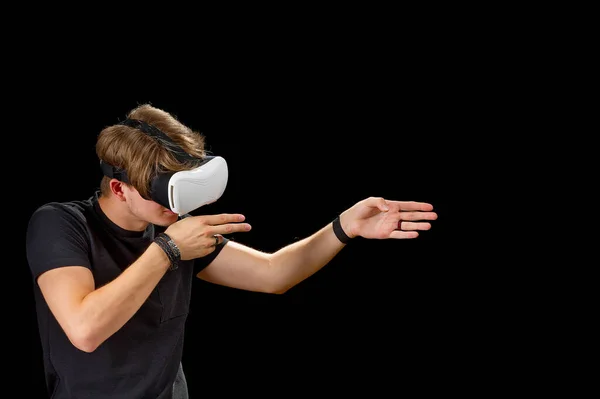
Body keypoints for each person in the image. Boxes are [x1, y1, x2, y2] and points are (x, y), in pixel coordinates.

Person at [25, 103, 438, 399]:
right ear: (119, 188)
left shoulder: (173, 226)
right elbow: (84, 330)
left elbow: (273, 274)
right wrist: (168, 249)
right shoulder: (61, 224)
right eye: (165, 195)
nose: (177, 209)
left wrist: (344, 227)